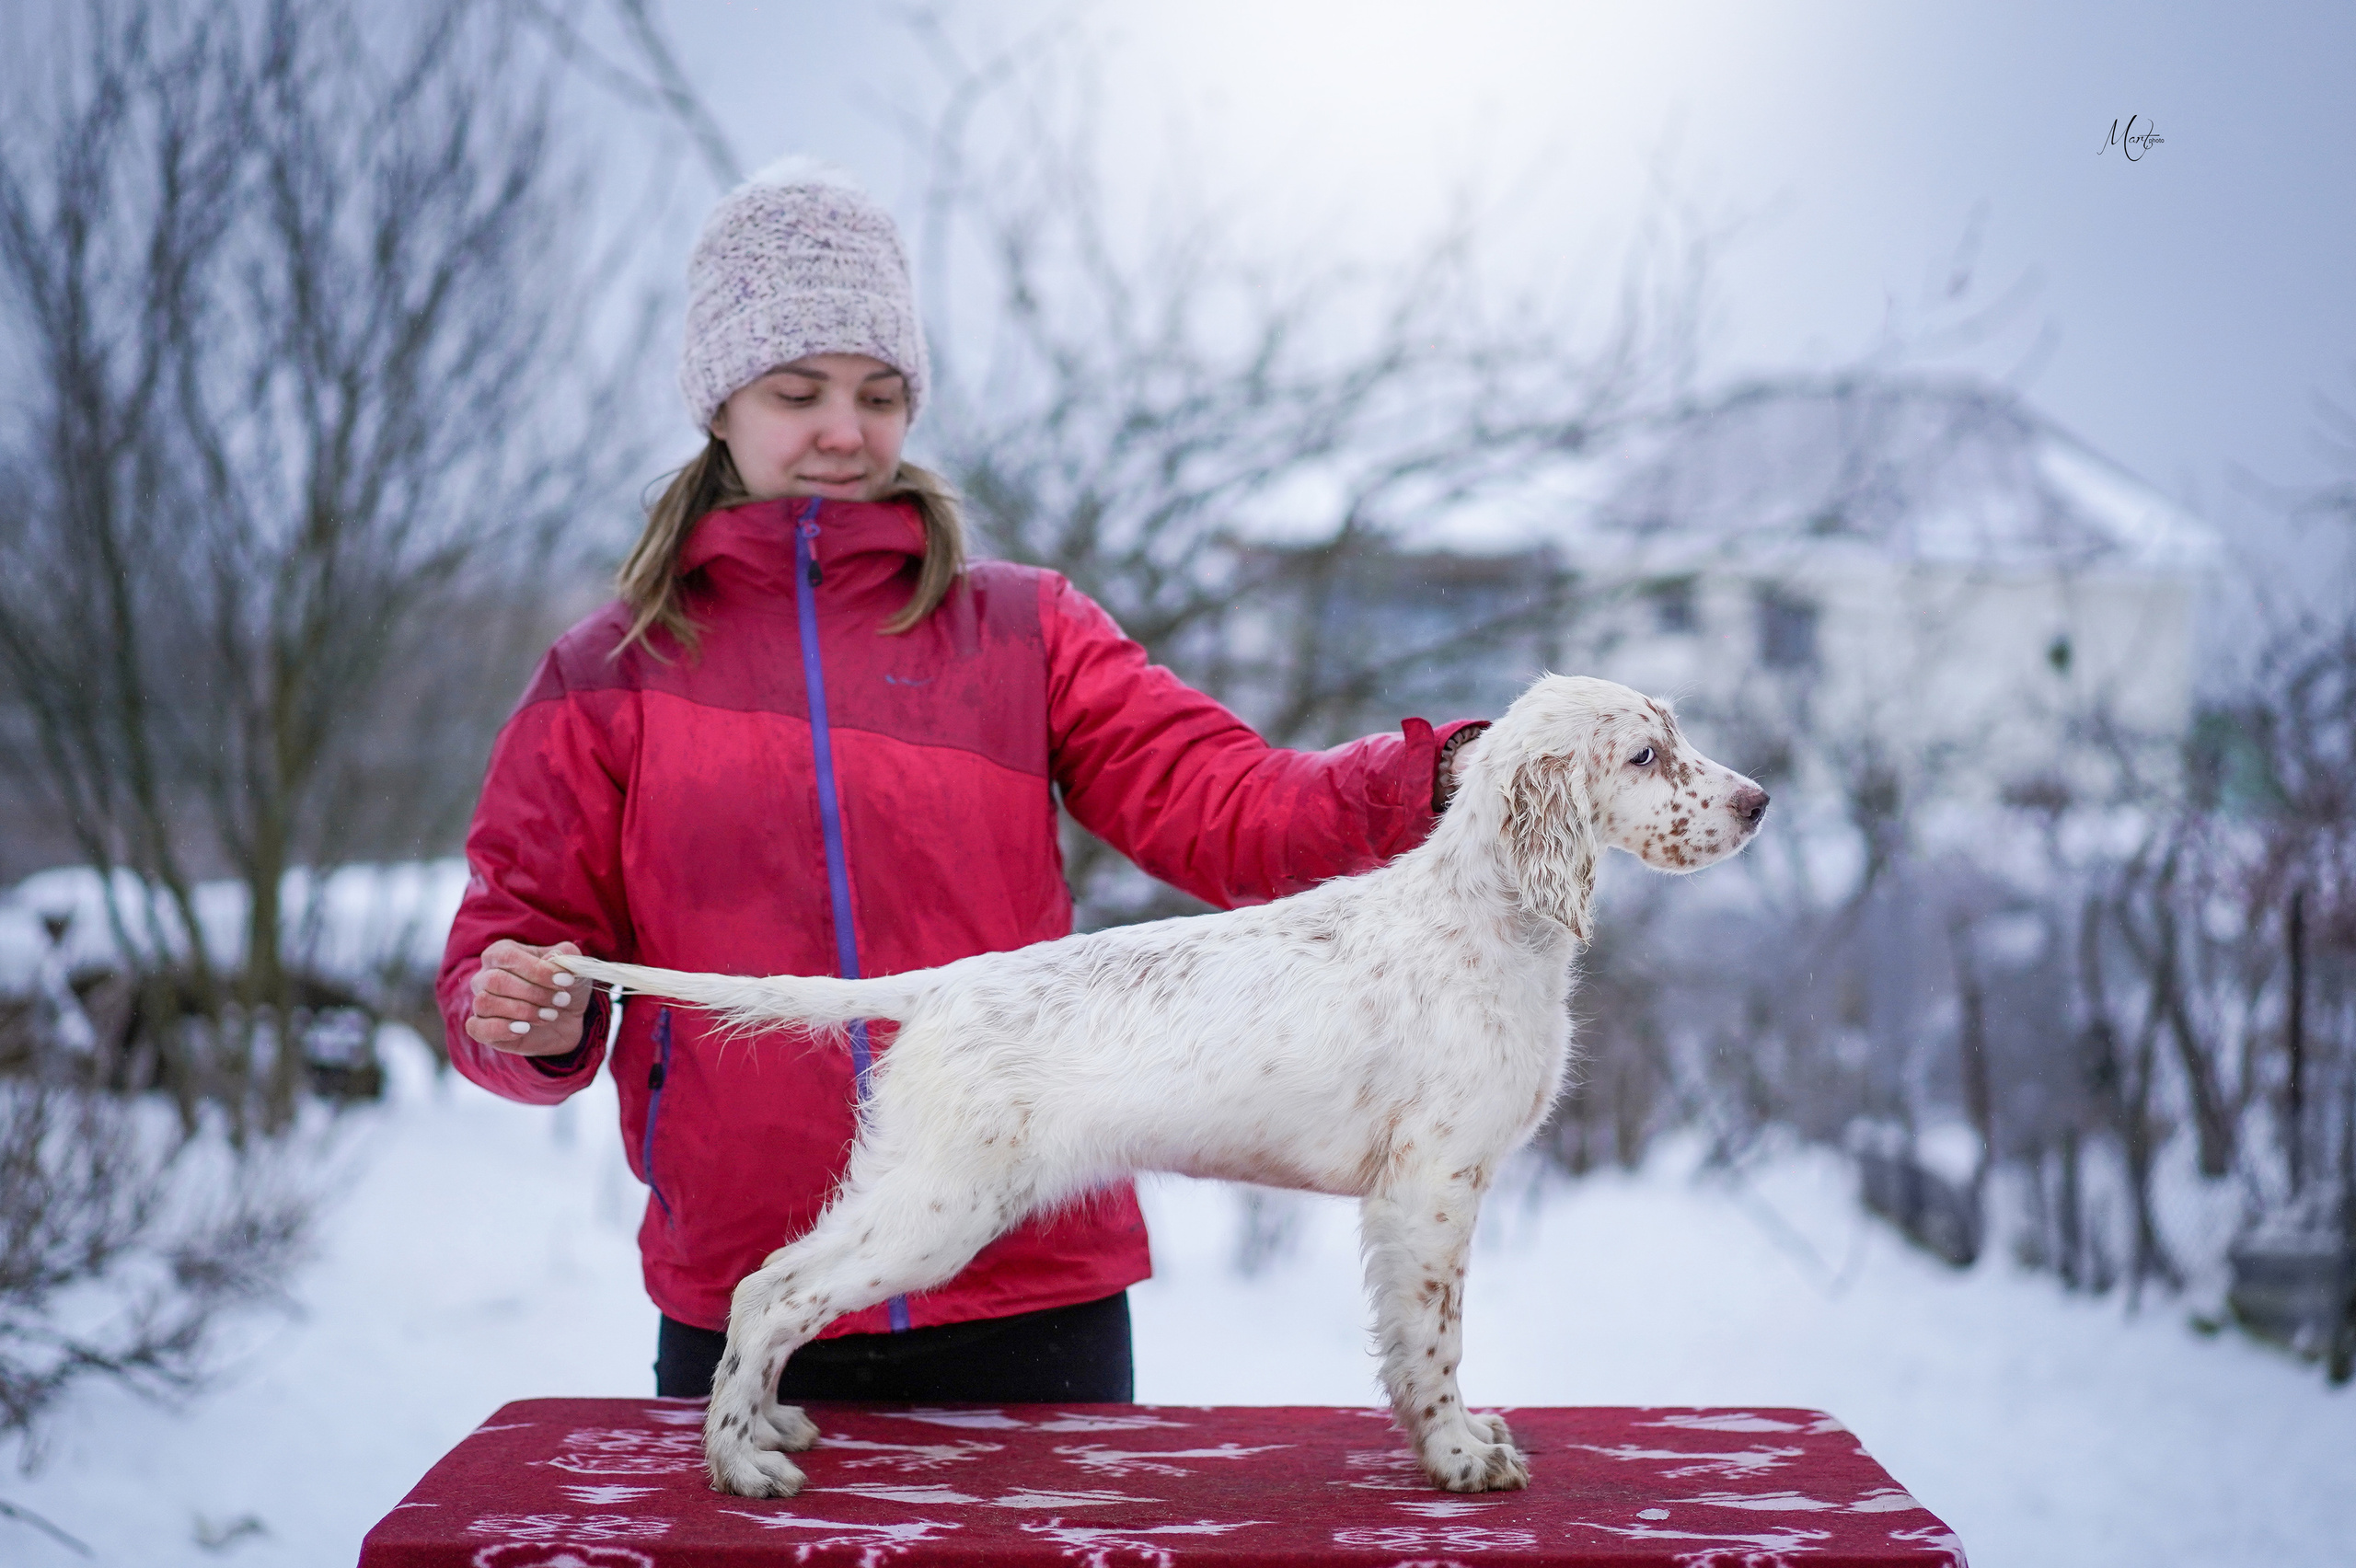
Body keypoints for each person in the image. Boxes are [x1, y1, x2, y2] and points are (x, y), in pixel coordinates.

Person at [436, 158, 1487, 1405]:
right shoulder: (607, 674)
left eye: (880, 394)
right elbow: (513, 939)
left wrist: (1430, 779)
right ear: (720, 405)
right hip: (753, 1286)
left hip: (1032, 1277)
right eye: (799, 391)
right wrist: (531, 1021)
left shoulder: (1018, 628)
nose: (846, 430)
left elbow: (1228, 806)